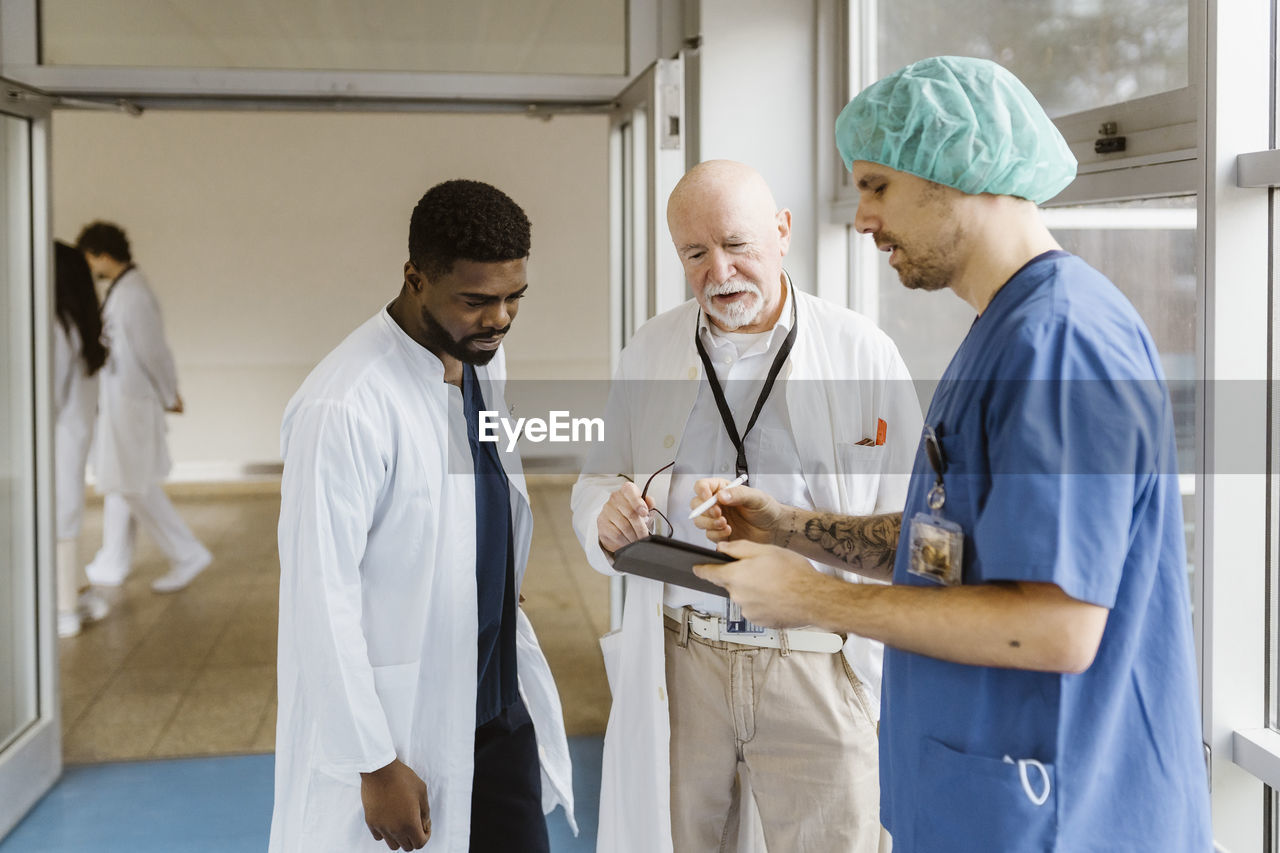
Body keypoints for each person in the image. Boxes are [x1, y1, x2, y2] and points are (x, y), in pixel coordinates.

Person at [689, 57, 1212, 852]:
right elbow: (956, 547)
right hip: (987, 802)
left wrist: (812, 599)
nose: (861, 218)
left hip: (1060, 814)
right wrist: (789, 527)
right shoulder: (1003, 330)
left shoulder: (1060, 343)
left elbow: (1055, 628)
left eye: (877, 186)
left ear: (957, 168)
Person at [571, 159, 922, 853]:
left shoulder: (862, 352)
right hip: (685, 657)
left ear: (783, 231)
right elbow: (595, 480)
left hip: (816, 662)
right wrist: (601, 518)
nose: (719, 271)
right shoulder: (650, 348)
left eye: (737, 245)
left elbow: (909, 525)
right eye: (695, 254)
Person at [270, 179, 574, 853]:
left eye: (513, 297)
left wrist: (490, 574)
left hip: (496, 708)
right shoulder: (345, 404)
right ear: (416, 278)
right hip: (407, 727)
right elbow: (319, 598)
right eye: (476, 299)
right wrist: (374, 762)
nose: (498, 317)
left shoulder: (478, 361)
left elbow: (476, 498)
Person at [75, 222, 211, 593]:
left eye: (89, 258)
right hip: (121, 401)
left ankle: (187, 553)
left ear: (102, 255)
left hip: (132, 403)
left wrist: (171, 393)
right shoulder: (123, 291)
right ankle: (112, 561)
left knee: (131, 483)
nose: (90, 267)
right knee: (119, 481)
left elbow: (154, 352)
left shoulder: (133, 294)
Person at [52, 241, 111, 637]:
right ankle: (74, 595)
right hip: (71, 441)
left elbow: (48, 397)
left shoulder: (57, 328)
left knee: (58, 522)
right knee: (65, 518)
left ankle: (65, 608)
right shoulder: (82, 325)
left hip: (56, 442)